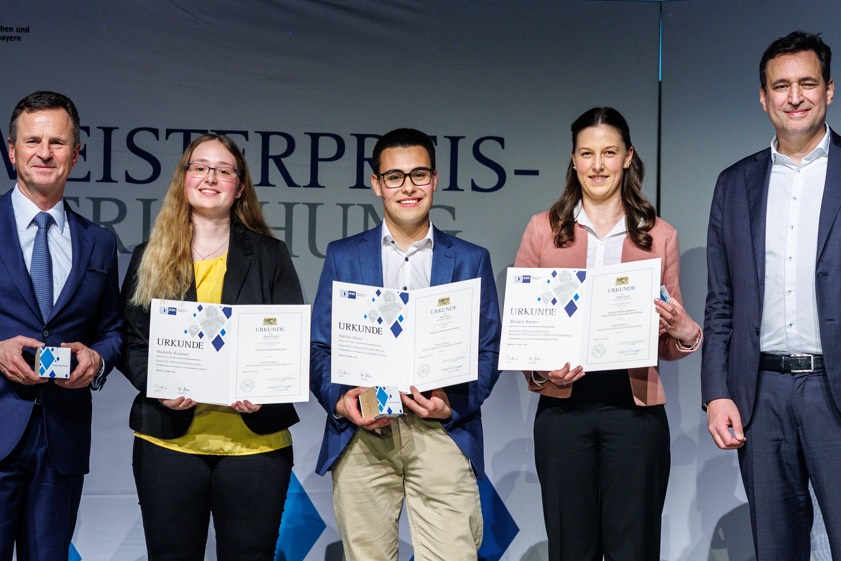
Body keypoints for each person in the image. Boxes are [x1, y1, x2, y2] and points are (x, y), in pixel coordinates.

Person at [515, 107, 701, 561]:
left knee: (633, 548)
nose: (597, 165)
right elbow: (523, 329)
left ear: (628, 157)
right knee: (570, 548)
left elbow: (670, 339)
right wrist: (541, 372)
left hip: (634, 412)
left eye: (609, 153)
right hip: (563, 410)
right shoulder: (543, 230)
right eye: (587, 153)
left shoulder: (659, 235)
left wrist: (685, 331)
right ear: (573, 160)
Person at [309, 128, 501, 560]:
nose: (408, 187)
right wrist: (342, 402)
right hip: (364, 431)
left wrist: (450, 405)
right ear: (377, 184)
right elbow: (319, 348)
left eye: (419, 175)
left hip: (441, 430)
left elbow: (489, 350)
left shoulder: (470, 259)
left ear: (435, 180)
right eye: (394, 177)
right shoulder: (344, 255)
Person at [120, 133, 303, 561]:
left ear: (239, 187)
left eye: (224, 170)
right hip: (168, 443)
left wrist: (266, 388)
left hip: (255, 446)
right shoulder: (150, 255)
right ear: (183, 179)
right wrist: (159, 384)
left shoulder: (270, 255)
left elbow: (289, 341)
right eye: (200, 167)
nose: (210, 178)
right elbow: (131, 342)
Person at [702, 30, 841, 560]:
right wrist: (718, 392)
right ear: (764, 98)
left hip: (833, 389)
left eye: (808, 83)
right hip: (761, 396)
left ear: (829, 90)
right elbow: (721, 301)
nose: (795, 96)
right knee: (776, 549)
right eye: (781, 86)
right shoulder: (734, 183)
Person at [0, 91, 122, 560]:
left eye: (58, 142)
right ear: (12, 151)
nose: (45, 153)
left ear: (76, 153)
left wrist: (97, 357)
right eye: (33, 141)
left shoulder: (99, 242)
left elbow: (113, 329)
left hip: (62, 441)